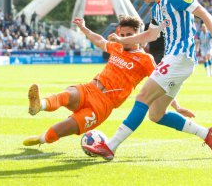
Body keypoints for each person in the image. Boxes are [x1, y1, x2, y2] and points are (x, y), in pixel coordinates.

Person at [84, 0, 212, 160]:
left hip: (181, 56)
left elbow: (204, 14)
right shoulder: (157, 9)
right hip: (174, 59)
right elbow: (150, 35)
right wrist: (122, 40)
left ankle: (110, 146)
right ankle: (206, 133)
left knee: (142, 96)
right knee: (156, 114)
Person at [23, 16, 194, 147]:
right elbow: (99, 40)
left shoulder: (145, 59)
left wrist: (176, 106)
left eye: (130, 35)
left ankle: (41, 139)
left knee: (63, 128)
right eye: (123, 34)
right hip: (90, 88)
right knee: (67, 94)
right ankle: (40, 104)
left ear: (138, 36)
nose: (125, 38)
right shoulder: (117, 47)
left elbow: (161, 83)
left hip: (103, 106)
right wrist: (83, 28)